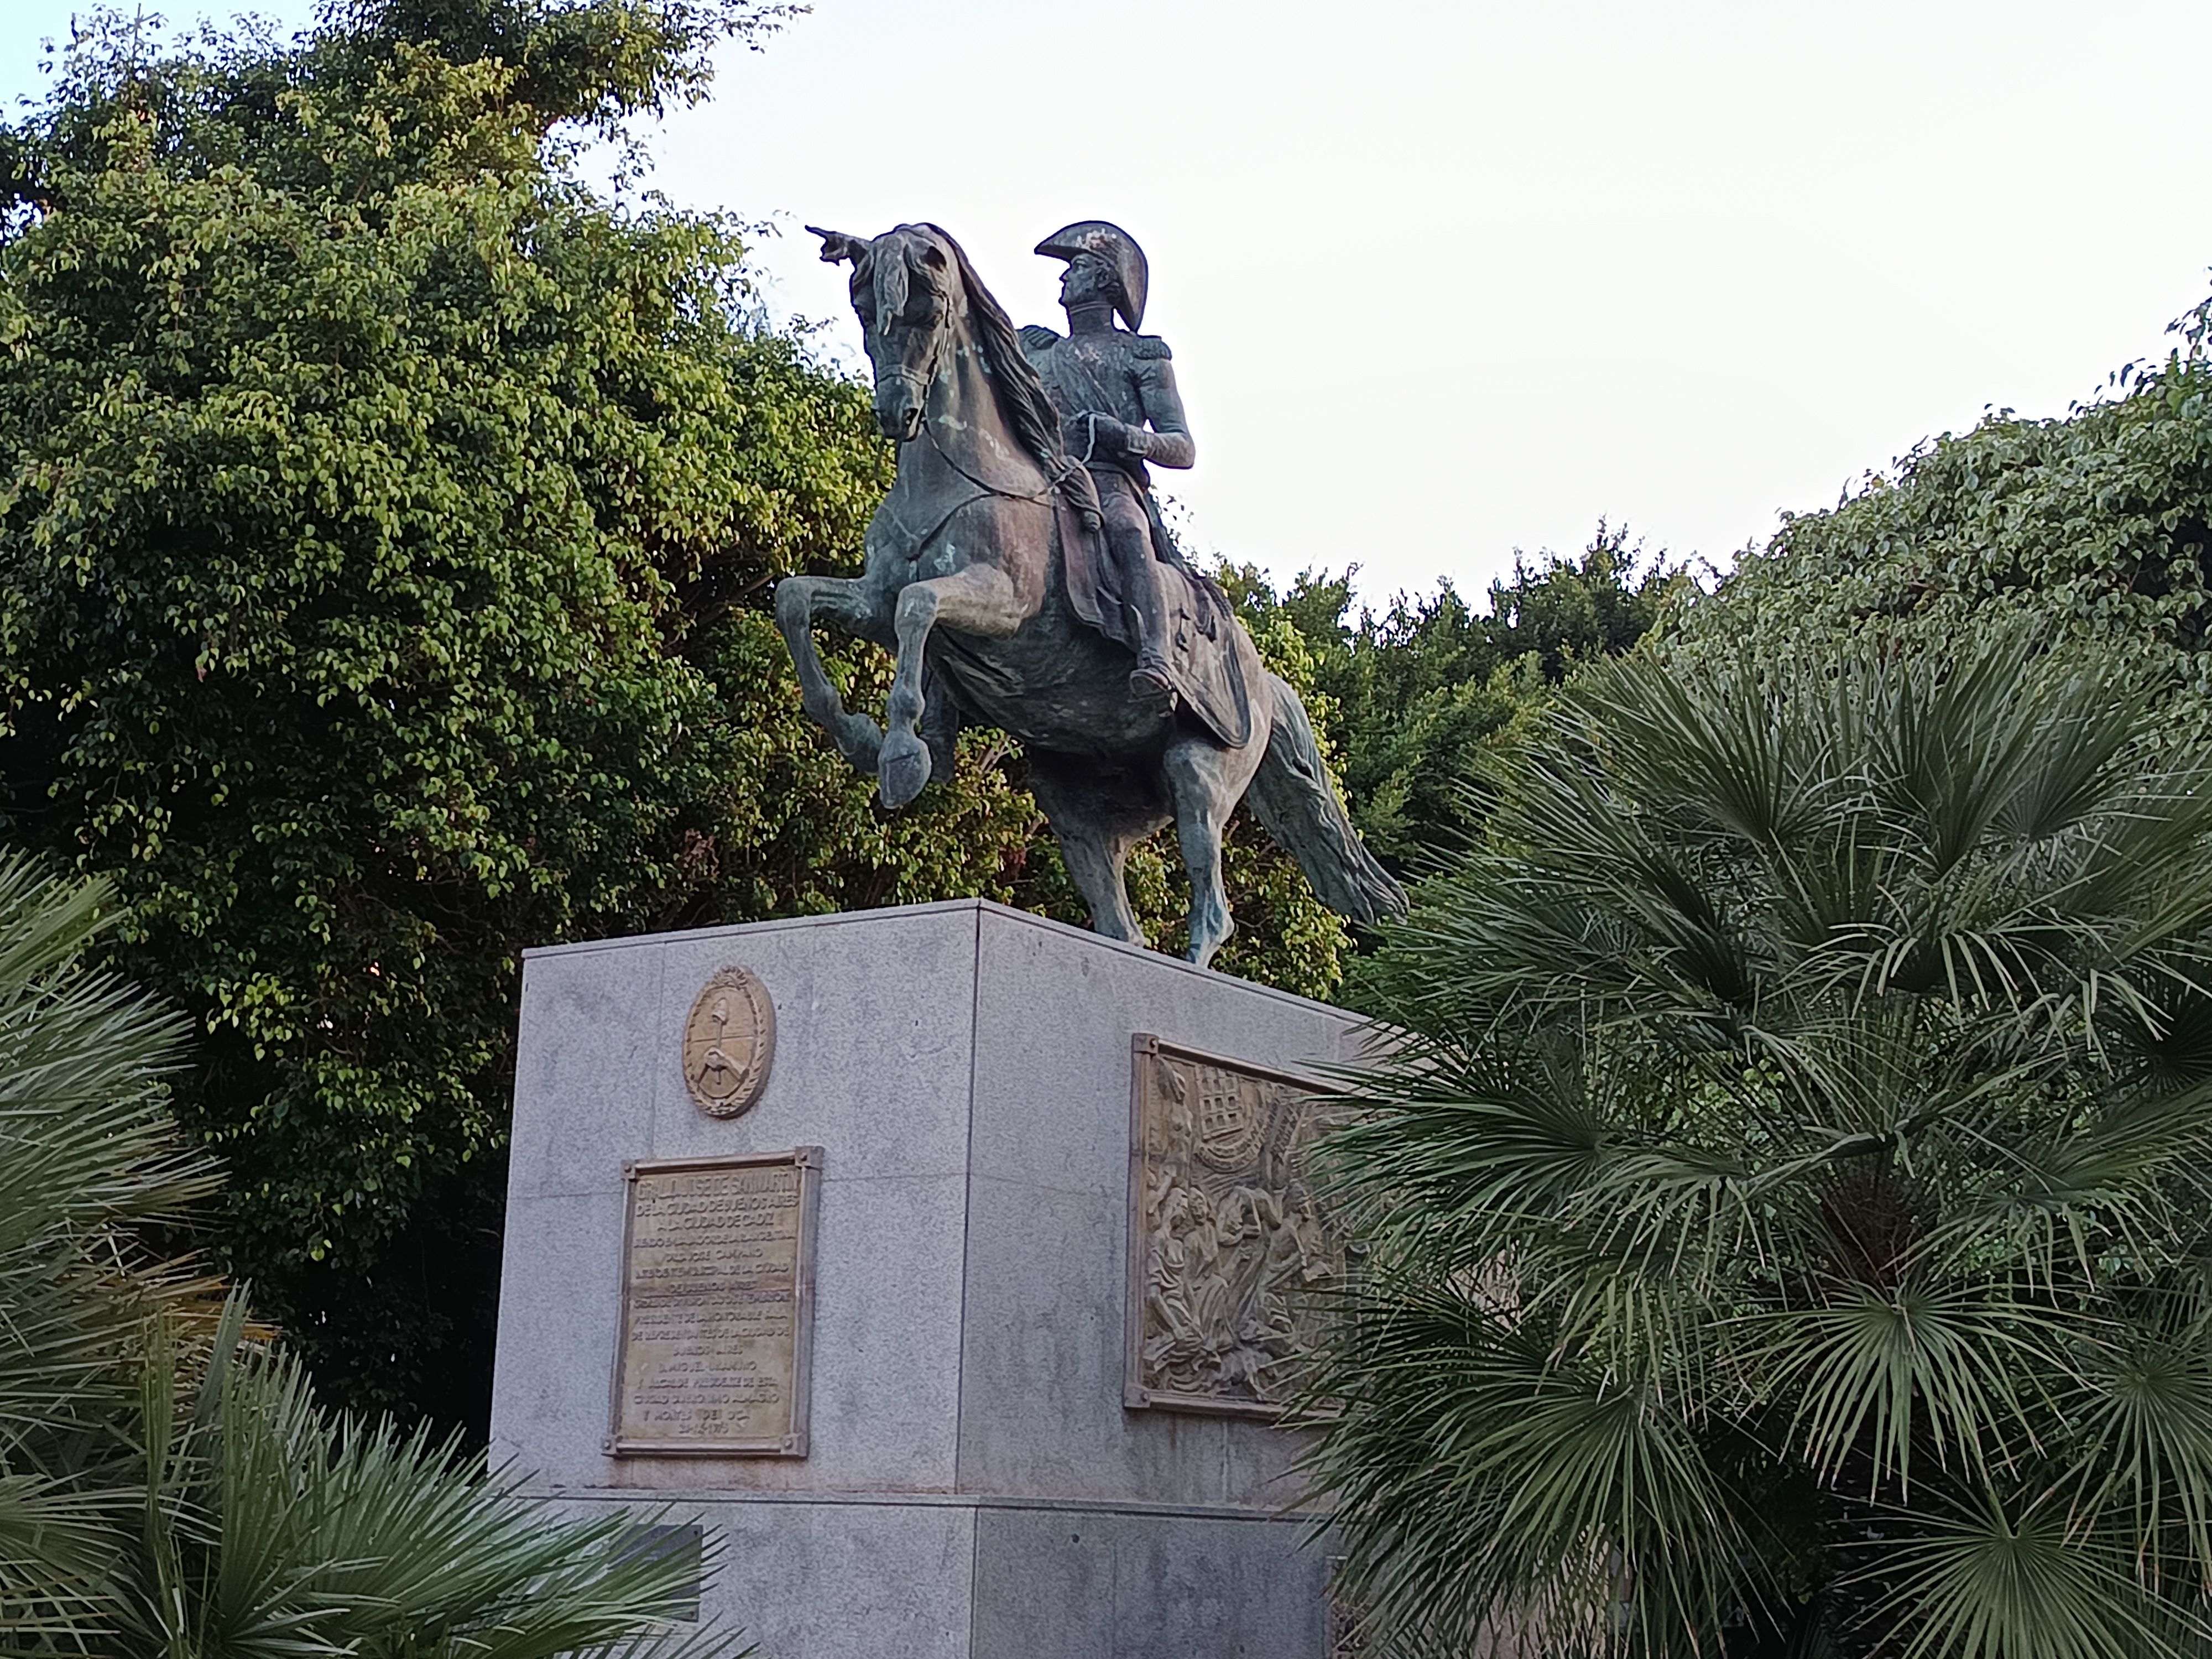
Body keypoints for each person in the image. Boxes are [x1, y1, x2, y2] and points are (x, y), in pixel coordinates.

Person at [1020, 221, 1194, 703]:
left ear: (1102, 279)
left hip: (1111, 482)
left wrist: (1124, 436)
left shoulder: (1141, 356)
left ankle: (1156, 657)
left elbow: (1182, 448)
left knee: (1128, 532)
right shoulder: (1037, 350)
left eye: (1074, 268)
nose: (1063, 279)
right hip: (1046, 477)